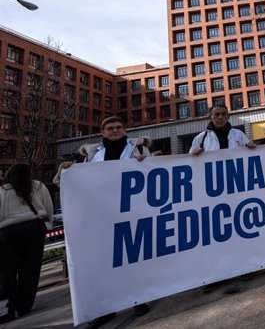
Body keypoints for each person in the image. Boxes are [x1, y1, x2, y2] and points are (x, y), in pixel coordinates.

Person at [60, 117, 152, 326]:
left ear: (125, 129)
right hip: (102, 214)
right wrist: (69, 170)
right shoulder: (92, 155)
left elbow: (152, 173)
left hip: (132, 210)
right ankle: (107, 307)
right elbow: (82, 182)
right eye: (110, 128)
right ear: (102, 132)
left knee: (133, 255)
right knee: (104, 261)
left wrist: (144, 165)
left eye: (119, 127)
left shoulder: (138, 150)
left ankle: (138, 297)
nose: (115, 131)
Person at [0, 163, 54, 323]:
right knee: (30, 269)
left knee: (5, 272)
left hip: (6, 231)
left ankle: (5, 310)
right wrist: (48, 225)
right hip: (33, 228)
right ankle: (24, 306)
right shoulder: (38, 186)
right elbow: (48, 207)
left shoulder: (2, 191)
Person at [189, 104, 256, 155]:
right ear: (210, 117)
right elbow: (190, 161)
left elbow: (250, 155)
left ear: (228, 117)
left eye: (223, 114)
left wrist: (252, 148)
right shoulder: (200, 138)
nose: (220, 117)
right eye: (217, 114)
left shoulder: (239, 134)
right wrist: (193, 156)